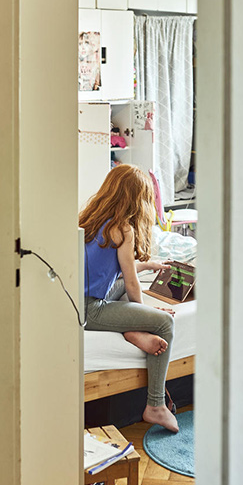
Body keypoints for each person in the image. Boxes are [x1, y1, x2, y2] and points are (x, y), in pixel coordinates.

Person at [80, 164, 179, 433]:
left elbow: (117, 270)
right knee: (165, 324)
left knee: (121, 286)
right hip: (91, 310)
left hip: (78, 301)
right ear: (137, 199)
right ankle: (155, 405)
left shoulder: (90, 218)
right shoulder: (124, 228)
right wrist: (148, 316)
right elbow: (132, 285)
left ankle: (130, 330)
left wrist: (148, 265)